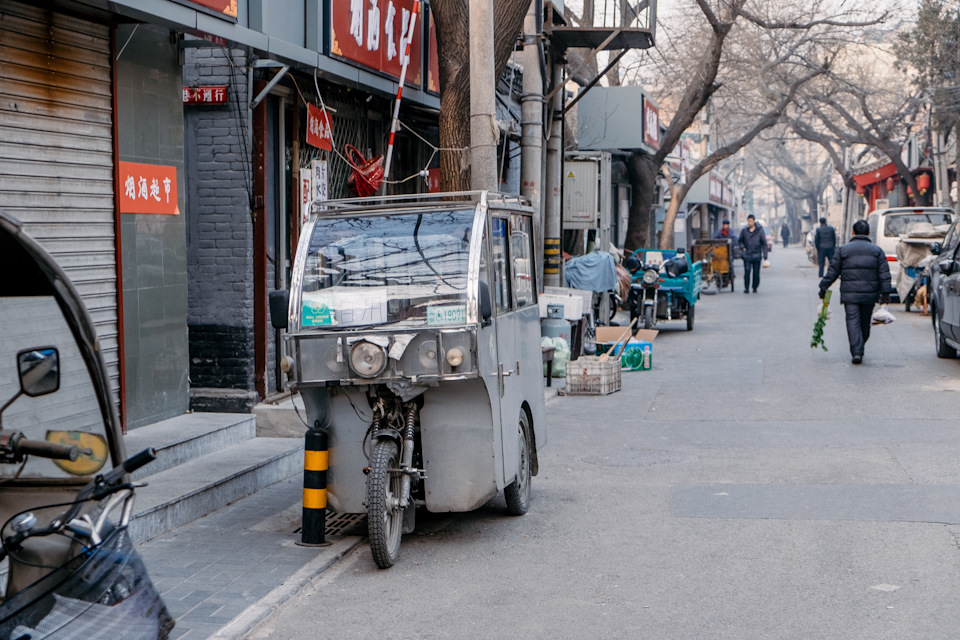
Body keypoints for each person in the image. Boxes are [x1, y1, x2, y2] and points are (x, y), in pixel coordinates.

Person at [818, 219, 891, 365]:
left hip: (850, 294)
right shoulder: (877, 251)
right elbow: (884, 273)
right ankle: (859, 347)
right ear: (868, 233)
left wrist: (823, 287)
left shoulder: (843, 250)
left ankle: (856, 351)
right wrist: (886, 293)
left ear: (853, 232)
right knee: (865, 323)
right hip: (870, 294)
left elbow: (833, 271)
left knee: (852, 321)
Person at [738, 214, 768, 294]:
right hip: (747, 254)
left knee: (756, 272)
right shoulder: (744, 230)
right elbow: (740, 240)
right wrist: (743, 247)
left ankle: (755, 287)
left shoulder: (760, 230)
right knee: (747, 271)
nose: (749, 223)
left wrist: (765, 256)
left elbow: (764, 243)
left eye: (751, 221)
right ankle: (746, 288)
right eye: (748, 221)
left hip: (757, 254)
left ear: (754, 221)